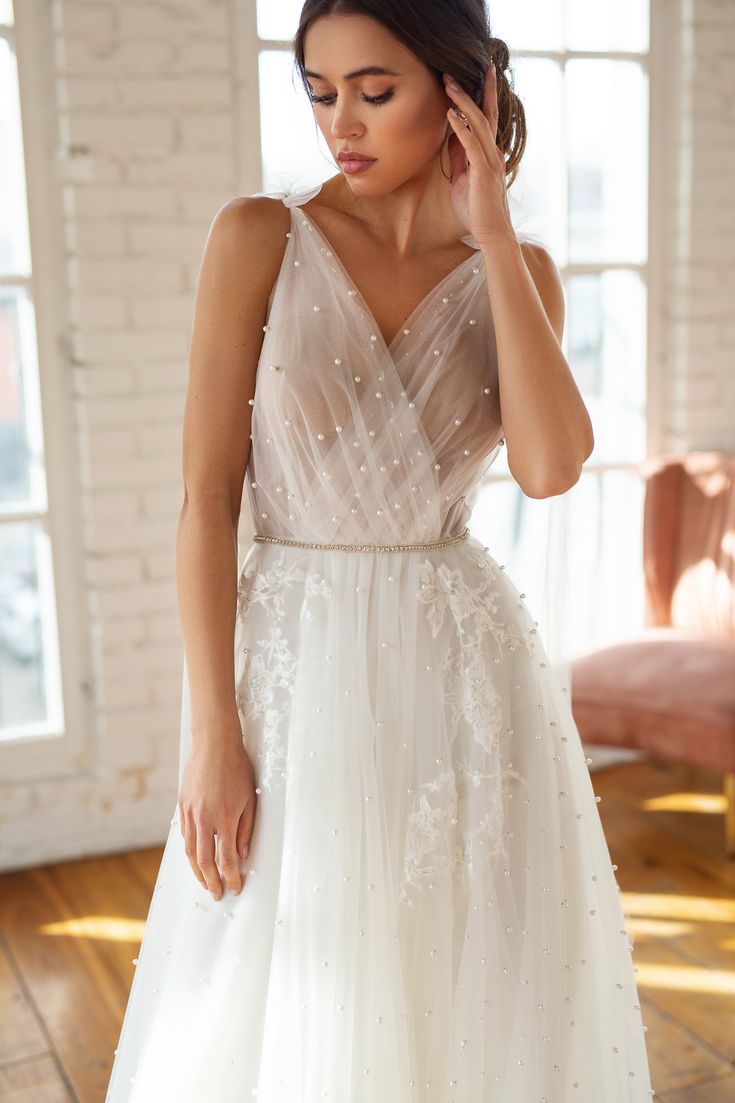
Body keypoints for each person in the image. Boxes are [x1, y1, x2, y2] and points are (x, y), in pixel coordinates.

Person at [105, 1, 656, 1100]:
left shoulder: (519, 267)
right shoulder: (259, 235)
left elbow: (550, 468)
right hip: (294, 670)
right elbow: (208, 497)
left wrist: (494, 233)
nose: (339, 124)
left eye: (375, 89)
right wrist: (214, 729)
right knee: (286, 967)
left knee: (465, 980)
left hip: (459, 669)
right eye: (319, 91)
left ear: (463, 92)